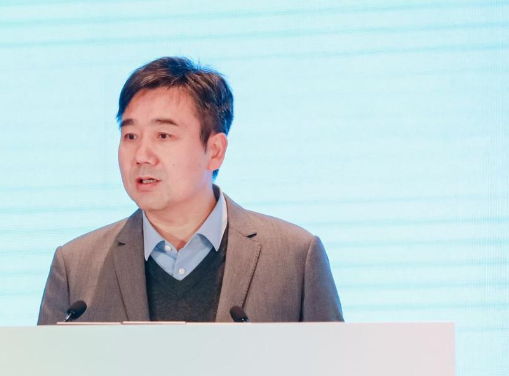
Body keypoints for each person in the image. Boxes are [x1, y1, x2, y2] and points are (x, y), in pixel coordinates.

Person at [37, 56, 342, 324]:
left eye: (163, 135)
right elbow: (44, 372)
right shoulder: (75, 267)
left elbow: (334, 368)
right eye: (130, 136)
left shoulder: (294, 257)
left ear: (215, 151)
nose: (141, 155)